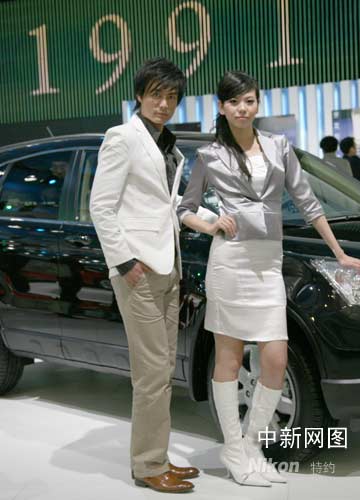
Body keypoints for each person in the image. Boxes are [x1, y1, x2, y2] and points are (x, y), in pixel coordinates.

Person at [177, 71, 360, 486]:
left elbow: (307, 202)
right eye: (235, 102)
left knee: (275, 358)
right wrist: (211, 225)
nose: (243, 108)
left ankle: (252, 444)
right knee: (228, 357)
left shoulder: (278, 147)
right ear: (222, 107)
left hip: (269, 264)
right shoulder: (210, 156)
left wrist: (340, 253)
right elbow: (185, 209)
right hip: (230, 263)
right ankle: (234, 449)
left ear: (258, 103)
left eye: (249, 100)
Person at [89, 57, 199, 494]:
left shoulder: (169, 145)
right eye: (156, 94)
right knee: (152, 372)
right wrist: (125, 263)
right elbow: (101, 206)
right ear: (139, 95)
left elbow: (164, 207)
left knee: (163, 368)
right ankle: (149, 465)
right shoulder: (122, 138)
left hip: (167, 267)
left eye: (172, 96)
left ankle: (158, 456)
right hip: (138, 271)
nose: (164, 103)